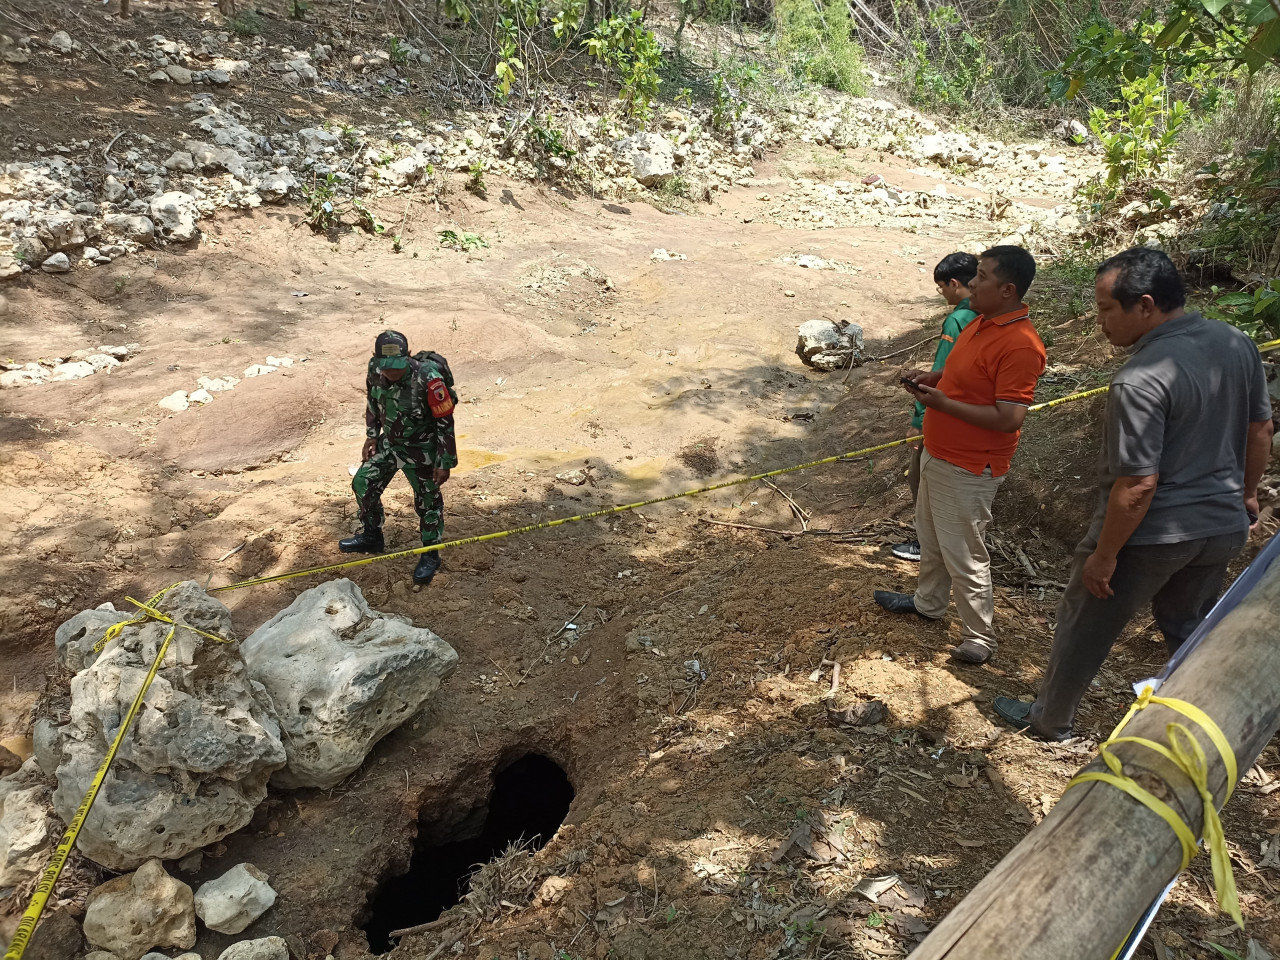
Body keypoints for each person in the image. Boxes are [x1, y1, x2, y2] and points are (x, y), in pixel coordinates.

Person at [994, 247, 1274, 740]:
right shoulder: (1233, 341)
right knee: (1190, 628)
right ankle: (1207, 729)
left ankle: (1049, 719)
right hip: (1221, 525)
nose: (1100, 322)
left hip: (1151, 534)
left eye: (1106, 309)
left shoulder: (1139, 379)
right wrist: (1248, 494)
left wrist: (1104, 556)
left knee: (1085, 624)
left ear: (1144, 305)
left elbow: (1138, 484)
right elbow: (1260, 430)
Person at [873, 246, 1046, 665]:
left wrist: (944, 404)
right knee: (931, 537)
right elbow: (962, 375)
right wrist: (934, 378)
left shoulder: (1020, 345)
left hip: (969, 465)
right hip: (939, 451)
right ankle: (928, 603)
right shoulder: (979, 322)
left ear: (1007, 290)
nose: (972, 283)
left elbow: (1009, 417)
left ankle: (979, 637)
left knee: (964, 552)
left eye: (981, 277)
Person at [339, 330, 459, 586]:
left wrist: (444, 462)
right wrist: (372, 436)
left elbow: (445, 422)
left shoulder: (430, 379)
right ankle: (372, 536)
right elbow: (373, 402)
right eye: (386, 367)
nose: (391, 372)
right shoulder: (375, 370)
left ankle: (430, 554)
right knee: (362, 484)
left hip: (423, 449)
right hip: (391, 444)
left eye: (396, 367)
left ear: (408, 357)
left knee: (428, 503)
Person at [892, 252, 980, 562]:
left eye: (941, 287)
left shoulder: (958, 319)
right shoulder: (986, 316)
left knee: (921, 479)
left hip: (942, 417)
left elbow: (941, 376)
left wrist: (918, 423)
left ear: (954, 283)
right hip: (968, 419)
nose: (941, 293)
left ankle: (925, 544)